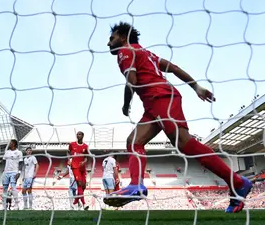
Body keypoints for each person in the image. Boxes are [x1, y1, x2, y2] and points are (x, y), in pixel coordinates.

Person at [105, 21, 252, 213]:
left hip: (160, 99)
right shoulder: (146, 53)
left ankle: (238, 181)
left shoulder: (125, 52)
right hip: (155, 104)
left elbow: (132, 81)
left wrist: (126, 104)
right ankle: (136, 185)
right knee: (134, 141)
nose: (109, 43)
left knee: (185, 144)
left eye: (111, 38)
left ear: (123, 37)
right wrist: (196, 86)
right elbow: (173, 67)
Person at [0, 139, 22, 210]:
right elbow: (4, 160)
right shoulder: (7, 152)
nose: (9, 144)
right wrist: (0, 161)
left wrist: (19, 172)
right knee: (4, 188)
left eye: (10, 143)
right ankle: (3, 206)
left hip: (14, 172)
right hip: (6, 172)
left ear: (14, 144)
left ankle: (17, 205)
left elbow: (21, 163)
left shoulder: (19, 152)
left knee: (13, 187)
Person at [67, 131, 89, 210]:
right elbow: (68, 152)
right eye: (77, 134)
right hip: (75, 167)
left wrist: (85, 161)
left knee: (83, 186)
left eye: (79, 134)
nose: (78, 135)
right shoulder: (72, 144)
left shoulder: (86, 146)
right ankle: (84, 204)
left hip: (82, 168)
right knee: (79, 184)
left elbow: (87, 157)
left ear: (83, 136)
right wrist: (69, 159)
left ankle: (75, 202)